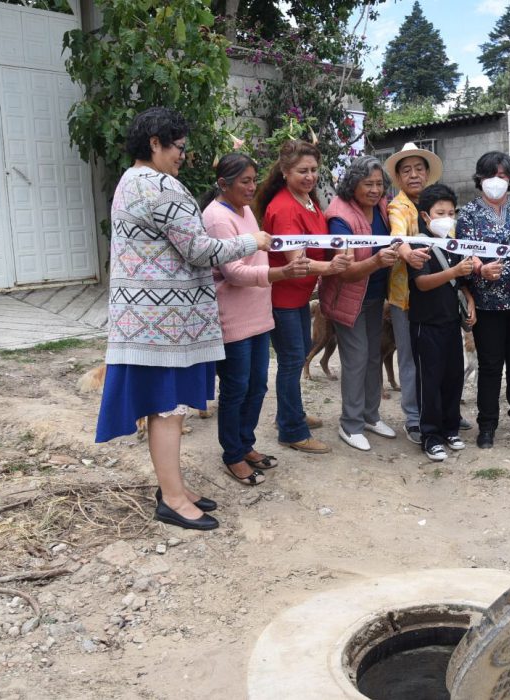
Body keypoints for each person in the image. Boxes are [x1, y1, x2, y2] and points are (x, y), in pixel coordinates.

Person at [95, 107, 270, 531]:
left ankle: (174, 488)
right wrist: (254, 240)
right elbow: (200, 250)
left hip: (147, 319)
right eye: (178, 147)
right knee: (168, 410)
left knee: (166, 410)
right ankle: (172, 499)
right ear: (155, 142)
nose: (182, 157)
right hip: (164, 323)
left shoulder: (129, 181)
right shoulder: (160, 186)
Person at [200, 153, 311, 486]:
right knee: (236, 388)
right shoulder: (217, 218)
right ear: (223, 184)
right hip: (232, 317)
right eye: (244, 181)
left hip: (258, 315)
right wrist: (283, 272)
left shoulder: (245, 209)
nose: (252, 187)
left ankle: (245, 444)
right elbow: (234, 273)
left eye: (254, 179)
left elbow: (256, 253)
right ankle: (232, 454)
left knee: (257, 385)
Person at [254, 140, 353, 454]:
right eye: (302, 171)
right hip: (283, 296)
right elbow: (296, 262)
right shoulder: (283, 208)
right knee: (290, 361)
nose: (310, 176)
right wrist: (331, 265)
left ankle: (290, 414)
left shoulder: (309, 200)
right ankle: (292, 431)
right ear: (285, 172)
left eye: (313, 170)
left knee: (296, 357)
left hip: (298, 296)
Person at [456, 151, 510, 448]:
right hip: (487, 303)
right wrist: (479, 267)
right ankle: (487, 425)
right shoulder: (467, 213)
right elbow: (464, 249)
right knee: (490, 365)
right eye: (491, 176)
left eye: (503, 176)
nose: (497, 181)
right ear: (480, 179)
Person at [321, 156, 401, 451]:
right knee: (355, 360)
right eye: (368, 184)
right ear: (352, 183)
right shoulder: (339, 218)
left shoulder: (382, 207)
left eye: (379, 184)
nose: (375, 190)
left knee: (371, 357)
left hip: (375, 296)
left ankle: (370, 415)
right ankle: (349, 424)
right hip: (348, 298)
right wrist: (377, 260)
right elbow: (344, 270)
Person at [407, 184, 477, 462]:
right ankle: (430, 435)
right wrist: (455, 270)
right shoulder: (417, 244)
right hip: (426, 324)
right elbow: (422, 283)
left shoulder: (452, 243)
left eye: (451, 212)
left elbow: (459, 282)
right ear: (426, 216)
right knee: (430, 381)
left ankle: (450, 428)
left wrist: (469, 301)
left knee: (453, 377)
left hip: (450, 323)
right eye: (440, 212)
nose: (447, 217)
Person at [384, 143, 443, 445]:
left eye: (419, 168)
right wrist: (406, 252)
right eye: (406, 170)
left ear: (427, 173)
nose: (414, 175)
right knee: (408, 359)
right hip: (405, 297)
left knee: (436, 357)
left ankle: (439, 414)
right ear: (398, 177)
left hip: (437, 293)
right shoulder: (399, 206)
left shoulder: (438, 202)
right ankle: (413, 418)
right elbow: (397, 235)